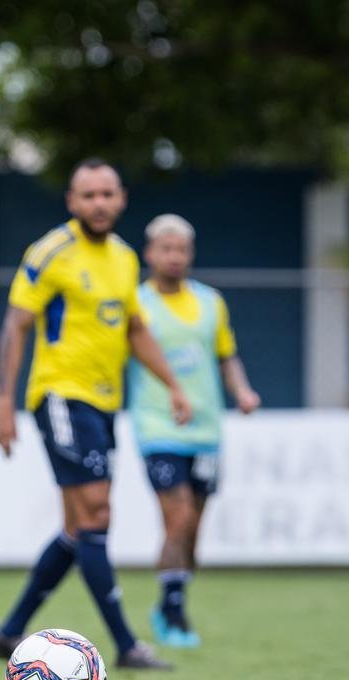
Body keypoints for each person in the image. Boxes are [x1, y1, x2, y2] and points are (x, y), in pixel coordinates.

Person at [0, 158, 192, 670]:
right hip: (59, 396)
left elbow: (136, 330)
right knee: (98, 513)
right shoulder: (50, 251)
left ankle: (10, 631)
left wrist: (173, 385)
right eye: (88, 195)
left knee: (80, 527)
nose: (99, 203)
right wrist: (3, 401)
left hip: (103, 404)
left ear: (121, 199)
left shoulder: (124, 260)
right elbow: (17, 326)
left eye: (107, 194)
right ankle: (125, 644)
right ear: (72, 202)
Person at [129, 213, 259, 648]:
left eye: (181, 250)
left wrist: (241, 391)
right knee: (178, 514)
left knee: (193, 531)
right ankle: (173, 612)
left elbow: (226, 355)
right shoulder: (136, 304)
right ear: (150, 253)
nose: (174, 257)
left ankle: (170, 595)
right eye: (166, 249)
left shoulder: (210, 302)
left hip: (206, 429)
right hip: (158, 425)